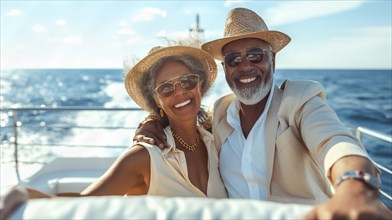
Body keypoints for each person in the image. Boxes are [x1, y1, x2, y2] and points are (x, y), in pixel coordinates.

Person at [134, 8, 391, 219]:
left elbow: (334, 141)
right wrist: (153, 121)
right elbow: (187, 121)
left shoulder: (300, 101)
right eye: (234, 60)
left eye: (256, 56)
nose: (245, 66)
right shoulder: (220, 112)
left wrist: (355, 186)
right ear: (225, 69)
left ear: (273, 61)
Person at [0, 45, 227, 219]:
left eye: (187, 81)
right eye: (166, 88)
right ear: (157, 101)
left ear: (200, 86)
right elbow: (84, 205)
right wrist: (26, 195)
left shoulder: (215, 139)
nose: (179, 92)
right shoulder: (144, 156)